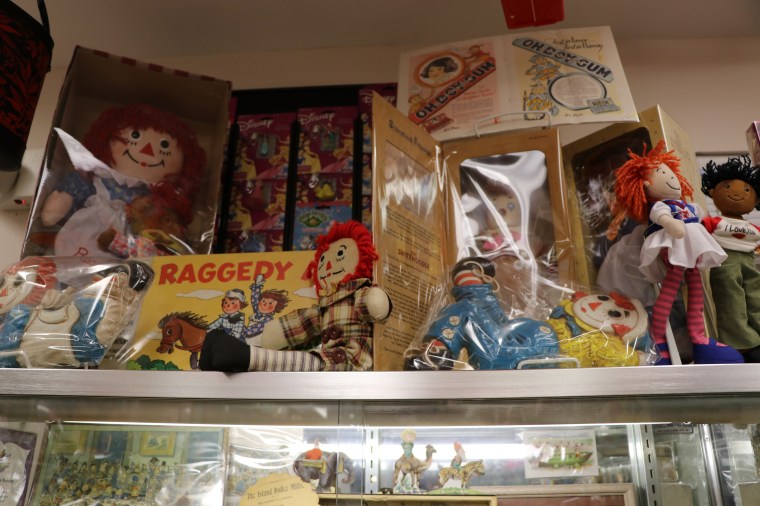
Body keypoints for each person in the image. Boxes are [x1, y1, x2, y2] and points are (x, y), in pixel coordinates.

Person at [200, 221, 392, 372]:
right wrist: (253, 338)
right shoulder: (324, 306)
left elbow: (376, 305)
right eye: (323, 260)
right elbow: (295, 325)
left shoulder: (358, 294)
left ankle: (245, 357)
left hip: (351, 361)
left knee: (305, 361)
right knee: (303, 360)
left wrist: (375, 298)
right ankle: (237, 346)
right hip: (329, 360)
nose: (328, 266)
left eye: (340, 254)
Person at [614, 141, 741, 364]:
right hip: (674, 250)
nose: (671, 178)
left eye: (671, 173)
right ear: (646, 184)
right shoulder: (661, 206)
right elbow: (662, 218)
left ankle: (698, 337)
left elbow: (703, 220)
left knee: (696, 292)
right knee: (670, 292)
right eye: (663, 174)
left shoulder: (687, 206)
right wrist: (672, 224)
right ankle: (660, 339)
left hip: (693, 253)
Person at [40, 104, 206, 257]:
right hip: (87, 231)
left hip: (132, 245)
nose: (147, 150)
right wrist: (62, 202)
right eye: (135, 135)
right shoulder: (100, 179)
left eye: (164, 145)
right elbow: (77, 189)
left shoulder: (158, 199)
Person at [700, 156, 760, 361]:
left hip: (749, 261)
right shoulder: (714, 222)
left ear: (756, 200)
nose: (737, 193)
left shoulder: (753, 227)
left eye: (747, 190)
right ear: (712, 192)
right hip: (725, 263)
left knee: (756, 296)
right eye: (727, 187)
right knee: (731, 299)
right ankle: (742, 342)